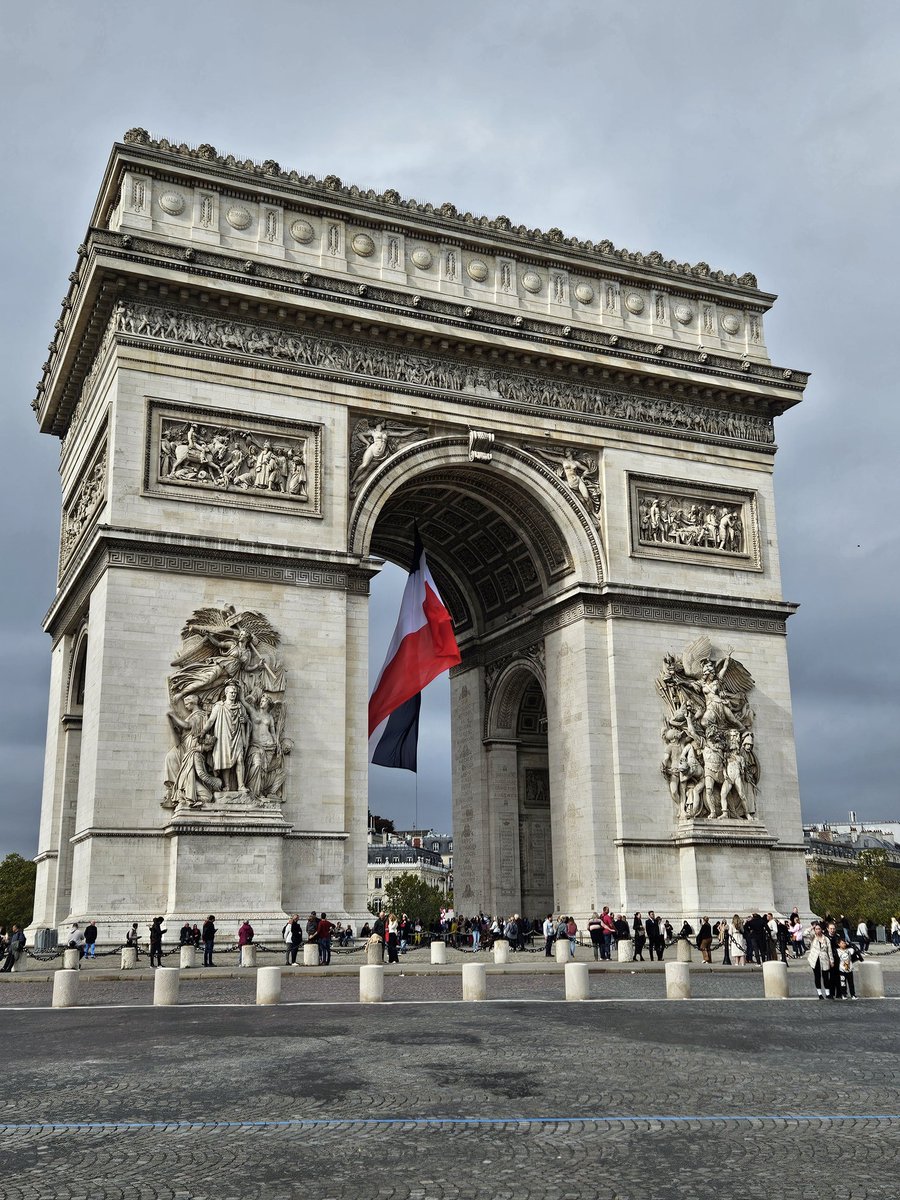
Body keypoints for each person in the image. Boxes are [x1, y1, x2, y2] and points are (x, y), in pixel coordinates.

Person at [808, 922, 834, 999]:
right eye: (816, 929)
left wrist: (831, 960)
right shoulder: (813, 937)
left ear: (822, 929)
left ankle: (827, 993)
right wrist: (811, 928)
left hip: (824, 958)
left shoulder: (826, 939)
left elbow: (829, 950)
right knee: (817, 976)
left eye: (819, 929)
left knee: (826, 976)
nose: (818, 930)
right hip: (815, 959)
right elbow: (805, 934)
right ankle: (819, 993)